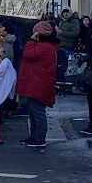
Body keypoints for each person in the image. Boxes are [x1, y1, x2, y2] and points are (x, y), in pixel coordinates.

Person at [17, 21, 58, 149]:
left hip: (37, 85)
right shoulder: (48, 47)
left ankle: (39, 138)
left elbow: (28, 54)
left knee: (37, 112)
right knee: (34, 112)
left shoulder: (43, 47)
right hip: (37, 83)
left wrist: (31, 40)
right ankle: (34, 136)